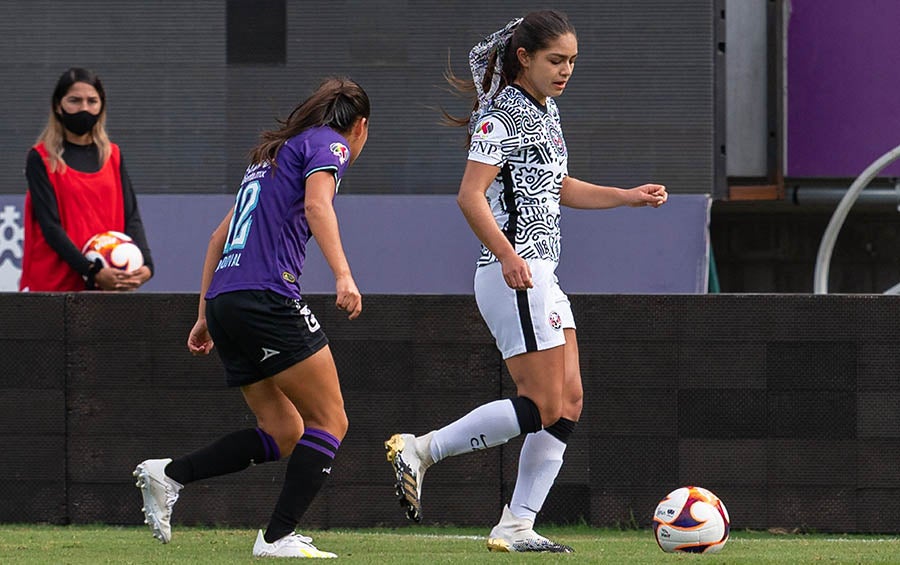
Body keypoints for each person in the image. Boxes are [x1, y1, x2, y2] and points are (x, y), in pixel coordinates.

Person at [385, 10, 667, 553]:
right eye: (555, 60)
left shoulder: (547, 112)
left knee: (570, 402)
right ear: (525, 58)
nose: (565, 71)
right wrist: (508, 253)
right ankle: (420, 451)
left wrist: (628, 195)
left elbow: (557, 188)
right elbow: (469, 196)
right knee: (540, 402)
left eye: (572, 62)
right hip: (513, 272)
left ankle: (516, 525)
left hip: (542, 274)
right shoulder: (501, 115)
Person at [133, 77, 370, 559]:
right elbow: (317, 204)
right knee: (331, 419)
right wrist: (344, 276)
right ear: (360, 127)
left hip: (226, 301)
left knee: (285, 431)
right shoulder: (331, 144)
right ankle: (277, 538)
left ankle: (170, 474)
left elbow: (217, 238)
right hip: (266, 296)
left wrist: (204, 315)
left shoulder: (270, 158)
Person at [20, 67, 154, 292]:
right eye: (74, 100)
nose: (84, 108)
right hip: (55, 287)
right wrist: (92, 271)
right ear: (58, 106)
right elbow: (50, 227)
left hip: (106, 287)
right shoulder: (41, 158)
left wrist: (147, 264)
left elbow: (131, 216)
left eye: (92, 101)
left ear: (101, 106)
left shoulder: (113, 155)